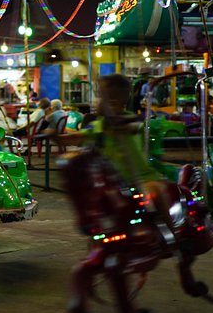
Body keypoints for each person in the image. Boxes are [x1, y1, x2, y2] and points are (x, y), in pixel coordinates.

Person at [61, 74, 176, 240]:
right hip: (112, 180)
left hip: (139, 177)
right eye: (103, 98)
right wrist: (60, 137)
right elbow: (81, 136)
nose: (104, 102)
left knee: (156, 194)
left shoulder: (129, 119)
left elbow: (136, 126)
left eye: (111, 99)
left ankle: (171, 236)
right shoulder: (99, 125)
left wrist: (124, 126)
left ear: (122, 100)